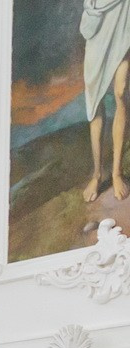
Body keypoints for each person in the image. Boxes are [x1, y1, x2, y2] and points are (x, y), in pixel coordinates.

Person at [85, 0, 130, 204]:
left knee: (120, 92)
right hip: (99, 21)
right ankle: (96, 174)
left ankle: (116, 172)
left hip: (124, 18)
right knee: (95, 101)